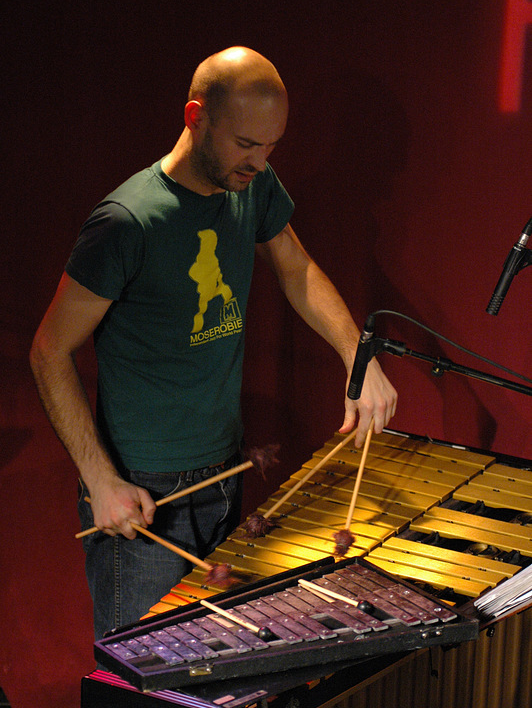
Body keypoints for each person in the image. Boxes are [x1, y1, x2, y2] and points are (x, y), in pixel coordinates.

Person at [30, 46, 397, 649]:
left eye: (271, 147)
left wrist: (360, 357)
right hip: (142, 493)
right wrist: (99, 480)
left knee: (213, 680)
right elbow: (48, 350)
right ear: (195, 115)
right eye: (245, 144)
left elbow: (297, 269)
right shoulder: (127, 222)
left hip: (224, 472)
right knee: (147, 693)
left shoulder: (250, 187)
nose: (259, 162)